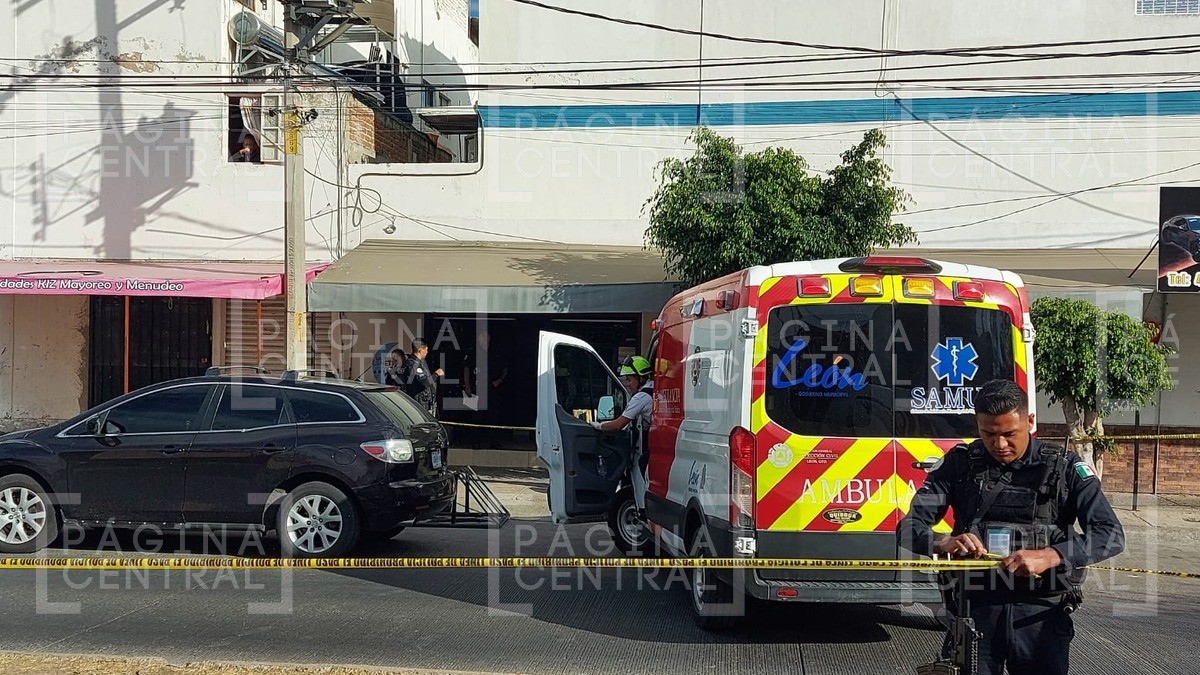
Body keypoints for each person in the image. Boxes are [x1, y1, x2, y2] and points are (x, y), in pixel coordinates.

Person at [897, 379, 1125, 675]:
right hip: (974, 611)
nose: (999, 444)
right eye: (988, 433)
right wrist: (943, 542)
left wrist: (1050, 556)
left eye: (1009, 433)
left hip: (1040, 614)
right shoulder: (959, 464)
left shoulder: (1065, 468)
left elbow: (1110, 535)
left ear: (1030, 421)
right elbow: (908, 528)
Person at [591, 355, 654, 515]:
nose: (627, 384)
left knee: (642, 468)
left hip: (650, 448)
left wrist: (597, 426)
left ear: (640, 378)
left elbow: (618, 425)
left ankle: (644, 511)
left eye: (629, 379)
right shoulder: (654, 390)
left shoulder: (641, 397)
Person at [402, 338, 443, 417]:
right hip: (419, 403)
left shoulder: (420, 363)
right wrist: (436, 374)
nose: (427, 352)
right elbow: (424, 382)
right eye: (426, 350)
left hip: (426, 402)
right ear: (420, 350)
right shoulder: (412, 364)